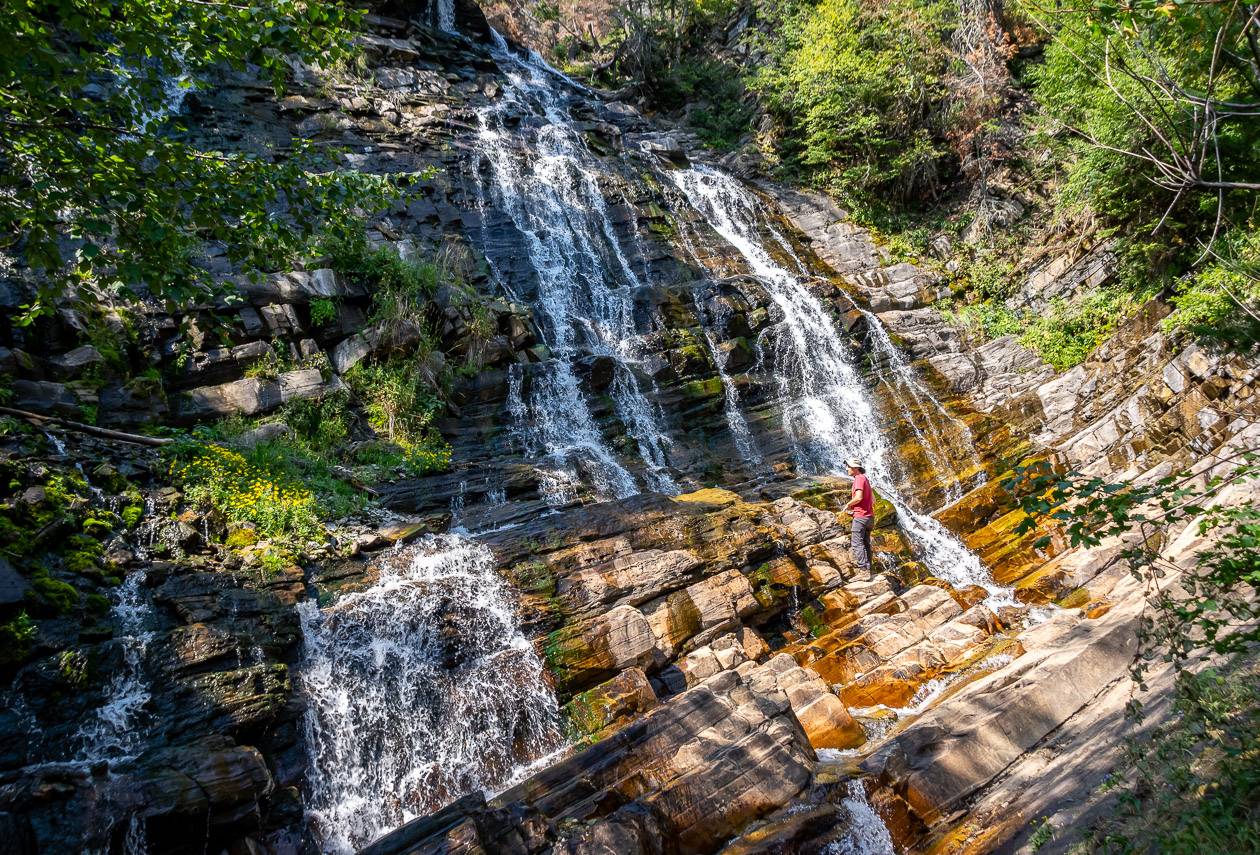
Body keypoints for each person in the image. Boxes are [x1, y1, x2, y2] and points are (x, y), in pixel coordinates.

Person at [844, 457, 874, 573]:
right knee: (866, 543)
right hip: (869, 517)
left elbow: (859, 497)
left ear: (856, 468)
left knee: (856, 543)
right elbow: (873, 500)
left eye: (849, 466)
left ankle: (863, 570)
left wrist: (848, 505)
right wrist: (855, 510)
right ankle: (869, 569)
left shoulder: (858, 479)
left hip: (861, 518)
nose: (847, 469)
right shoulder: (865, 479)